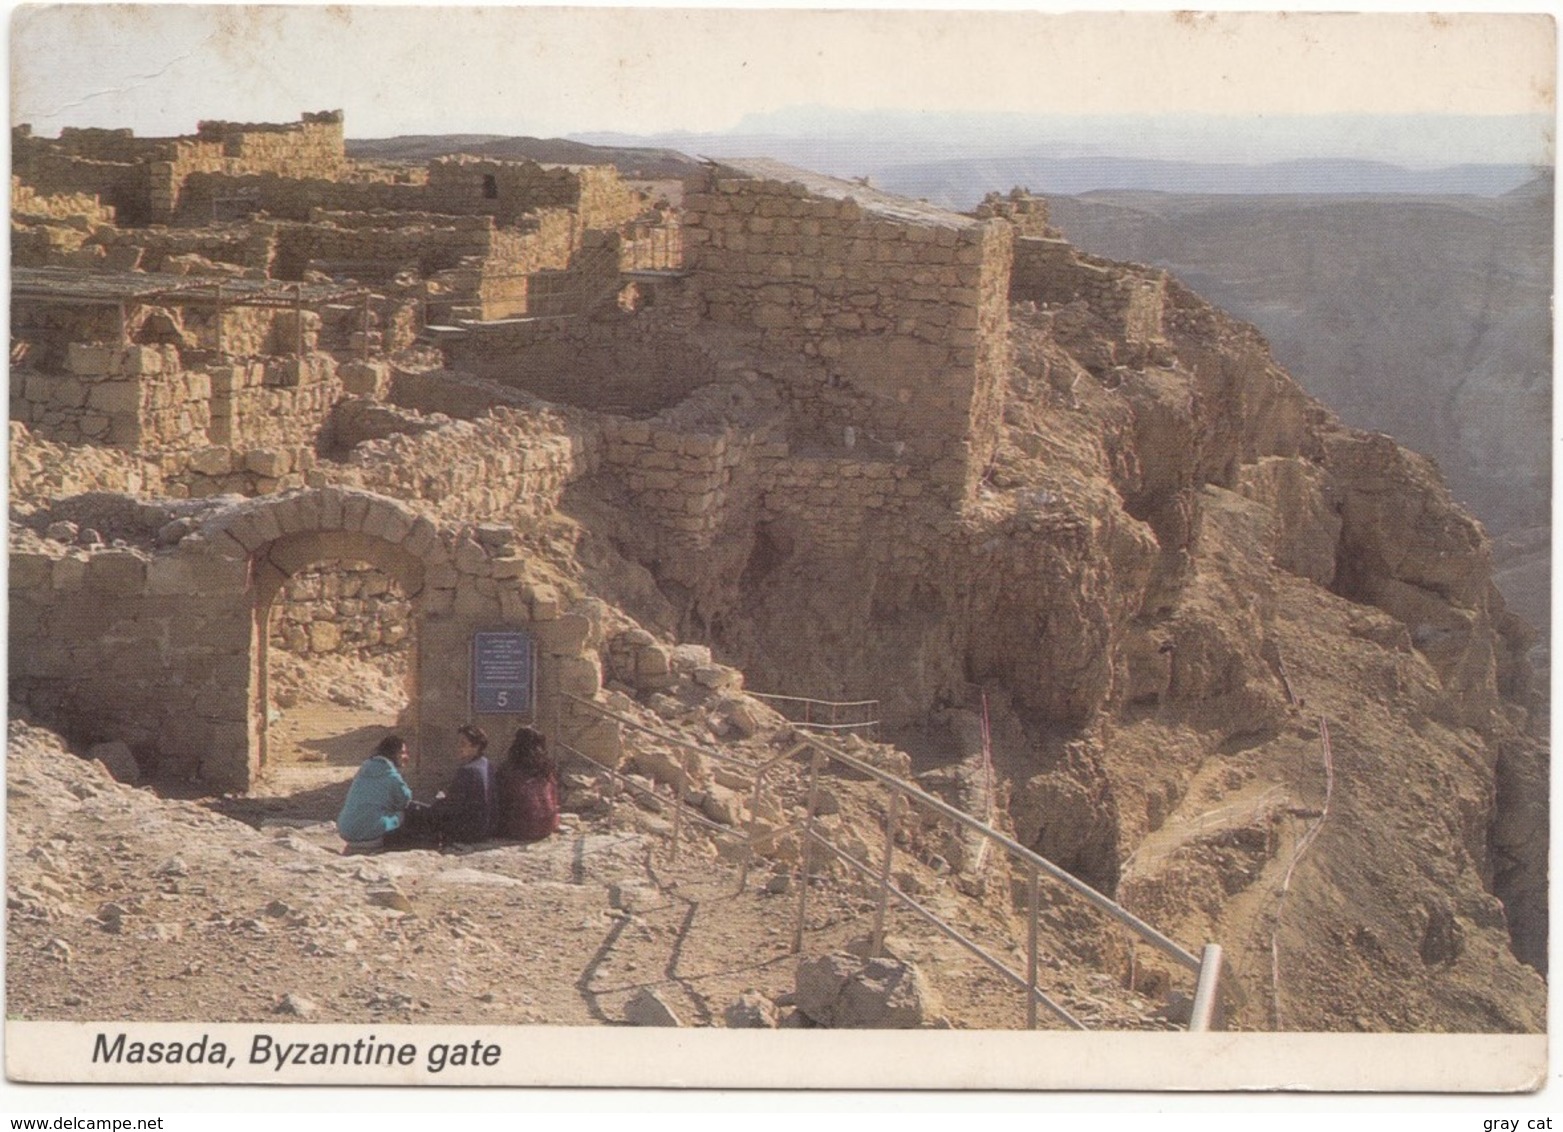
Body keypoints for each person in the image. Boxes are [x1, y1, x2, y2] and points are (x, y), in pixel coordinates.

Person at [336, 734, 416, 852]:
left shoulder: (363, 771)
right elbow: (405, 800)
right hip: (370, 833)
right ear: (393, 754)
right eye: (403, 753)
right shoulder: (391, 775)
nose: (406, 757)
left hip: (345, 829)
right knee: (408, 813)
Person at [429, 724, 496, 844]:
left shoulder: (467, 770)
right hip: (487, 827)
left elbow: (453, 806)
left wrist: (439, 801)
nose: (458, 747)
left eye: (463, 743)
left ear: (476, 746)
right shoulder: (487, 764)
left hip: (468, 831)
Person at [495, 726, 560, 843]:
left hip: (522, 829)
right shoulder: (546, 767)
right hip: (548, 824)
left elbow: (499, 798)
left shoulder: (509, 768)